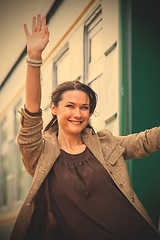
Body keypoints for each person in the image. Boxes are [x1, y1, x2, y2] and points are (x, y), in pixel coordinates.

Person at [10, 15, 160, 240]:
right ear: (54, 108)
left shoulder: (106, 143)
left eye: (84, 107)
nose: (78, 114)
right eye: (70, 106)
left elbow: (145, 141)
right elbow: (31, 116)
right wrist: (34, 58)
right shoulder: (40, 153)